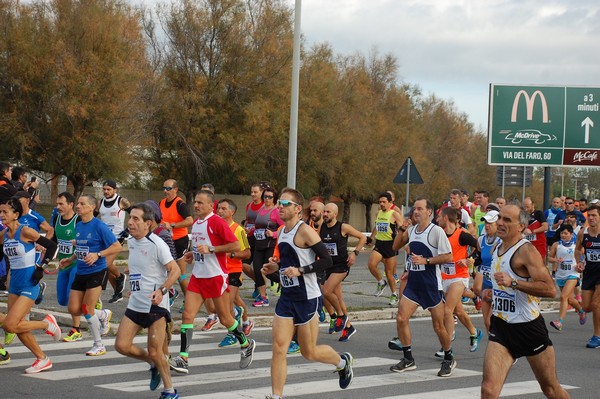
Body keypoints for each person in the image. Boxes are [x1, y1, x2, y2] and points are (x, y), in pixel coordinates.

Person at [261, 188, 353, 399]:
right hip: (287, 298)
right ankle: (276, 396)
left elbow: (327, 261)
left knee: (308, 352)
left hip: (308, 297)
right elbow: (290, 261)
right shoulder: (282, 231)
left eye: (284, 204)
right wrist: (276, 268)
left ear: (297, 209)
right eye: (279, 204)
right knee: (278, 348)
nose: (279, 208)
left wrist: (301, 271)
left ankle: (342, 362)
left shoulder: (305, 231)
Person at [480, 204, 569, 399]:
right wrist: (492, 293)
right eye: (500, 218)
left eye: (507, 220)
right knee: (488, 390)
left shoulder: (526, 252)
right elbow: (502, 286)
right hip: (502, 327)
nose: (500, 223)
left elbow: (550, 289)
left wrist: (514, 283)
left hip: (528, 329)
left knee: (551, 389)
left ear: (521, 226)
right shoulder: (497, 246)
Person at [168, 190, 255, 374]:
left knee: (225, 318)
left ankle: (246, 344)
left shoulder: (216, 221)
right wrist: (194, 254)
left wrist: (211, 249)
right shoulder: (198, 223)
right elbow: (203, 248)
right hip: (198, 277)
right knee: (187, 315)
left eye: (200, 202)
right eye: (196, 202)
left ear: (210, 205)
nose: (196, 205)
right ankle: (183, 358)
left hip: (216, 276)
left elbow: (235, 246)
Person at [114, 203, 180, 399]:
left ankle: (170, 390)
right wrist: (134, 279)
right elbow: (142, 266)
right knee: (121, 346)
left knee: (155, 350)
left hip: (155, 306)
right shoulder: (132, 241)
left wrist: (162, 290)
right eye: (130, 218)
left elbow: (174, 270)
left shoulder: (157, 243)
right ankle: (152, 363)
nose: (130, 222)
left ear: (148, 223)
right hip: (136, 302)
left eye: (136, 219)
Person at [390, 198, 455, 377]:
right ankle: (408, 358)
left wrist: (426, 261)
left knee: (438, 326)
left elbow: (448, 257)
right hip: (414, 285)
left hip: (431, 286)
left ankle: (449, 358)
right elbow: (395, 246)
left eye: (420, 209)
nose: (416, 212)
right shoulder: (411, 230)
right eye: (414, 209)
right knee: (401, 318)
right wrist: (402, 228)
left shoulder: (436, 232)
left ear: (429, 212)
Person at [0, 198, 62, 373]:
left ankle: (46, 324)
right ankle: (42, 359)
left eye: (5, 212)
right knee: (18, 327)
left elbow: (51, 246)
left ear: (16, 215)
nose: (2, 215)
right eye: (0, 212)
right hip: (14, 285)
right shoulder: (4, 235)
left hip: (30, 283)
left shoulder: (25, 231)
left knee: (10, 325)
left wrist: (40, 267)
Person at [60, 194, 122, 356]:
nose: (78, 206)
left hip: (97, 270)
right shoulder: (79, 225)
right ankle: (103, 315)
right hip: (81, 271)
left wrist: (99, 255)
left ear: (92, 207)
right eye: (78, 203)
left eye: (82, 203)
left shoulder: (99, 226)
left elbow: (116, 247)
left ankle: (98, 344)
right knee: (73, 308)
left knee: (87, 309)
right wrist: (70, 259)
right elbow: (81, 247)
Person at [436, 207, 482, 356]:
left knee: (447, 311)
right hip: (444, 278)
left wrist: (470, 259)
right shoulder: (440, 234)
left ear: (446, 218)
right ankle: (475, 333)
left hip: (459, 277)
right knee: (459, 312)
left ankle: (447, 347)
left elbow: (479, 247)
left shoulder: (462, 235)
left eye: (439, 217)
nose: (437, 220)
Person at [320, 202, 366, 341]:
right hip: (328, 266)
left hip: (341, 266)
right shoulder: (322, 227)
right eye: (324, 212)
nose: (325, 214)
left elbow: (363, 237)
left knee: (326, 291)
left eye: (328, 212)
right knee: (335, 298)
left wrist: (355, 253)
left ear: (335, 214)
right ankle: (348, 327)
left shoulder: (343, 227)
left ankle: (341, 316)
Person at [215, 198, 253, 347]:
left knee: (227, 305)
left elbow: (247, 254)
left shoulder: (238, 229)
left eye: (224, 209)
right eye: (218, 208)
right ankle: (245, 320)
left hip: (233, 271)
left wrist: (230, 254)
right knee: (235, 301)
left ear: (232, 211)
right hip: (218, 271)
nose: (220, 211)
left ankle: (232, 335)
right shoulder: (216, 227)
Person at [53, 192, 84, 342]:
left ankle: (76, 329)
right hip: (64, 264)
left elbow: (87, 241)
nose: (58, 207)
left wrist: (77, 243)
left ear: (71, 205)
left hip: (77, 264)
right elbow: (53, 240)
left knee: (72, 299)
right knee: (62, 300)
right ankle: (99, 312)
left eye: (61, 204)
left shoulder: (78, 220)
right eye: (57, 204)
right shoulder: (56, 218)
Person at [160, 179, 194, 313]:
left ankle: (189, 301)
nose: (165, 191)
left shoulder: (180, 204)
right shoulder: (162, 202)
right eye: (164, 188)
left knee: (181, 274)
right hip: (166, 241)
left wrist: (172, 225)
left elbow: (190, 221)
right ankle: (171, 292)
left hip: (179, 241)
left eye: (168, 188)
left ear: (175, 189)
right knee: (164, 270)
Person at [367, 192, 404, 305]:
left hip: (390, 245)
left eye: (384, 202)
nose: (381, 204)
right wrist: (371, 238)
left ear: (390, 203)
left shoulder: (394, 214)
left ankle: (394, 294)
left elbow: (402, 228)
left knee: (389, 273)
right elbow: (377, 226)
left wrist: (401, 240)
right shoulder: (378, 213)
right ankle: (381, 282)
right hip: (379, 243)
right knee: (371, 265)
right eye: (380, 202)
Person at [547, 224, 585, 330]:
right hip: (560, 275)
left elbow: (582, 255)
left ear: (571, 234)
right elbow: (549, 258)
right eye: (561, 233)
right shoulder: (556, 245)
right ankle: (581, 311)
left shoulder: (576, 245)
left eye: (566, 233)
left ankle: (559, 322)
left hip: (573, 273)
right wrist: (556, 260)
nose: (563, 235)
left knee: (563, 297)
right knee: (569, 299)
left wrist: (580, 264)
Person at [251, 186, 284, 307]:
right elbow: (259, 225)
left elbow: (283, 228)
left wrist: (273, 234)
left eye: (270, 197)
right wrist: (253, 230)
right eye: (265, 196)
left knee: (268, 271)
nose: (267, 199)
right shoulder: (261, 209)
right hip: (259, 244)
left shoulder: (276, 211)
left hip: (270, 245)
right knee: (257, 270)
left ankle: (284, 282)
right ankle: (263, 297)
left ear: (274, 199)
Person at [98, 179, 129, 304]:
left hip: (117, 238)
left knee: (105, 263)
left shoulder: (121, 201)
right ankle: (118, 292)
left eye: (108, 189)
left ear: (114, 190)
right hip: (104, 237)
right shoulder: (101, 202)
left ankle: (120, 277)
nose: (106, 191)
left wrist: (128, 229)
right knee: (106, 266)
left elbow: (134, 213)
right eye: (104, 189)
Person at [575, 204, 600, 348]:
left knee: (596, 304)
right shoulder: (582, 233)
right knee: (586, 306)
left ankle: (597, 336)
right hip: (589, 273)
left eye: (594, 215)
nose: (590, 218)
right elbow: (578, 250)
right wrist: (579, 262)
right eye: (589, 215)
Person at [473, 210, 502, 332]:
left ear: (498, 224)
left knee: (491, 321)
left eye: (490, 222)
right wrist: (469, 262)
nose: (487, 225)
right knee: (487, 323)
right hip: (485, 286)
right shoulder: (481, 240)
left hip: (497, 286)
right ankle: (495, 347)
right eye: (486, 222)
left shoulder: (502, 241)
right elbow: (479, 258)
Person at [522, 197, 548, 262]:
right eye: (524, 207)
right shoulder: (522, 215)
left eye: (527, 207)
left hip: (539, 243)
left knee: (540, 262)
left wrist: (533, 231)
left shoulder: (538, 213)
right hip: (526, 243)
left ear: (532, 205)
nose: (526, 209)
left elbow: (545, 227)